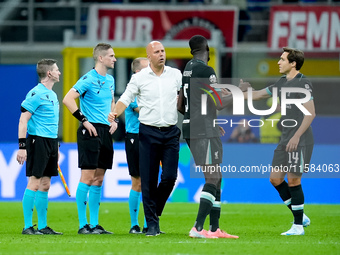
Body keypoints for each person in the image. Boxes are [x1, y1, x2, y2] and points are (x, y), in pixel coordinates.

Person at [108, 41, 182, 236]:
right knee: (147, 180)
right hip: (148, 132)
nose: (161, 54)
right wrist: (114, 114)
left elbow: (186, 95)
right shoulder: (139, 78)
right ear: (149, 56)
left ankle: (153, 212)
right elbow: (125, 98)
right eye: (156, 52)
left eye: (163, 51)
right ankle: (152, 224)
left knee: (169, 177)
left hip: (171, 132)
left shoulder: (175, 74)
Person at [177, 35, 248, 239]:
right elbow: (218, 103)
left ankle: (215, 229)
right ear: (207, 48)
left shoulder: (187, 70)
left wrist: (209, 120)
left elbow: (180, 105)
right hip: (202, 131)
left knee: (217, 177)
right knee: (213, 177)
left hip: (193, 128)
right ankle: (198, 228)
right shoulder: (206, 70)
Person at [243, 47, 315, 235]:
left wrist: (297, 136)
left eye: (282, 59)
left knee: (293, 180)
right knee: (275, 179)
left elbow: (311, 113)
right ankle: (300, 215)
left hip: (300, 139)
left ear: (293, 63)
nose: (278, 62)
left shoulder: (303, 82)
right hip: (285, 139)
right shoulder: (282, 83)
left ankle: (298, 226)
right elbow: (259, 94)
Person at [63, 43, 118, 234]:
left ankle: (94, 224)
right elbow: (68, 99)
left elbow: (112, 102)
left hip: (105, 131)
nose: (115, 59)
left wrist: (114, 118)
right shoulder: (87, 79)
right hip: (90, 131)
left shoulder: (110, 80)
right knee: (87, 177)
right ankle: (82, 225)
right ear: (101, 58)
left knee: (99, 179)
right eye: (111, 56)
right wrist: (84, 120)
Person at [17, 59, 62, 235]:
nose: (59, 72)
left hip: (50, 142)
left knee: (45, 184)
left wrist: (55, 144)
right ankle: (27, 226)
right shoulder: (35, 93)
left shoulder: (52, 94)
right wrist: (22, 146)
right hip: (38, 141)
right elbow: (23, 120)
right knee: (34, 182)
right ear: (49, 73)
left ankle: (42, 226)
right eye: (57, 70)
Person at [125, 57, 149, 234]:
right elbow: (142, 109)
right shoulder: (132, 90)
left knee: (150, 182)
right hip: (135, 137)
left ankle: (150, 223)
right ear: (138, 72)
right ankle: (134, 224)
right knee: (137, 181)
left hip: (152, 136)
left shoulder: (150, 88)